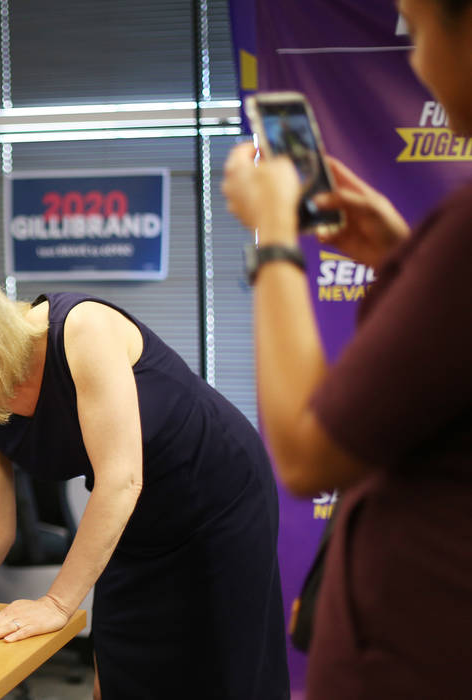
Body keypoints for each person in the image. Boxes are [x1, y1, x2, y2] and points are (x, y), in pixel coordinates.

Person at [0, 262, 290, 698]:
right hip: (128, 521)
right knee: (124, 668)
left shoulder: (82, 330)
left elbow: (121, 479)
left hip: (216, 498)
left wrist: (55, 603)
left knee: (225, 672)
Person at [220, 0, 472, 695]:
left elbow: (304, 453)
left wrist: (275, 233)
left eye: (419, 34)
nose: (417, 63)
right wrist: (403, 253)